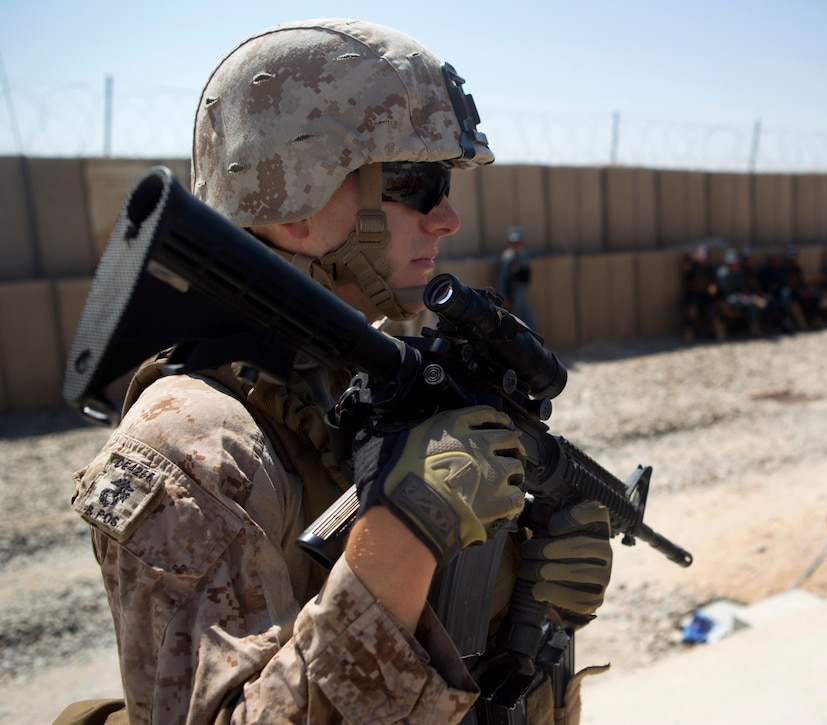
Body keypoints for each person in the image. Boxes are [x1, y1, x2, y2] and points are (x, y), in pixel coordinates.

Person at [62, 20, 611, 724]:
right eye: (414, 182)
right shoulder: (194, 445)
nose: (446, 217)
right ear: (296, 197)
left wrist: (528, 601)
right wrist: (406, 534)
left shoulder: (363, 378)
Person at [496, 226, 537, 330]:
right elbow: (502, 279)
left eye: (518, 242)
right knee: (516, 323)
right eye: (514, 242)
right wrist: (504, 297)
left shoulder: (523, 255)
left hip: (522, 292)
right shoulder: (507, 257)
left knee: (529, 320)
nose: (516, 245)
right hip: (513, 294)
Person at [681, 244, 725, 341]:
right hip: (694, 295)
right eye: (700, 258)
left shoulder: (711, 268)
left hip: (707, 295)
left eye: (704, 259)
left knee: (714, 310)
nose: (702, 261)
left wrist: (714, 287)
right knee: (691, 311)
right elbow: (686, 272)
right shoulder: (692, 267)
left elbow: (715, 281)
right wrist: (691, 259)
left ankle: (719, 334)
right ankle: (688, 335)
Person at [715, 248, 763, 336]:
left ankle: (754, 328)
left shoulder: (738, 273)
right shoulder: (723, 274)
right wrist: (738, 296)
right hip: (727, 300)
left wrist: (744, 295)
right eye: (732, 263)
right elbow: (726, 293)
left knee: (752, 304)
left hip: (739, 298)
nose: (734, 265)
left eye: (735, 263)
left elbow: (742, 288)